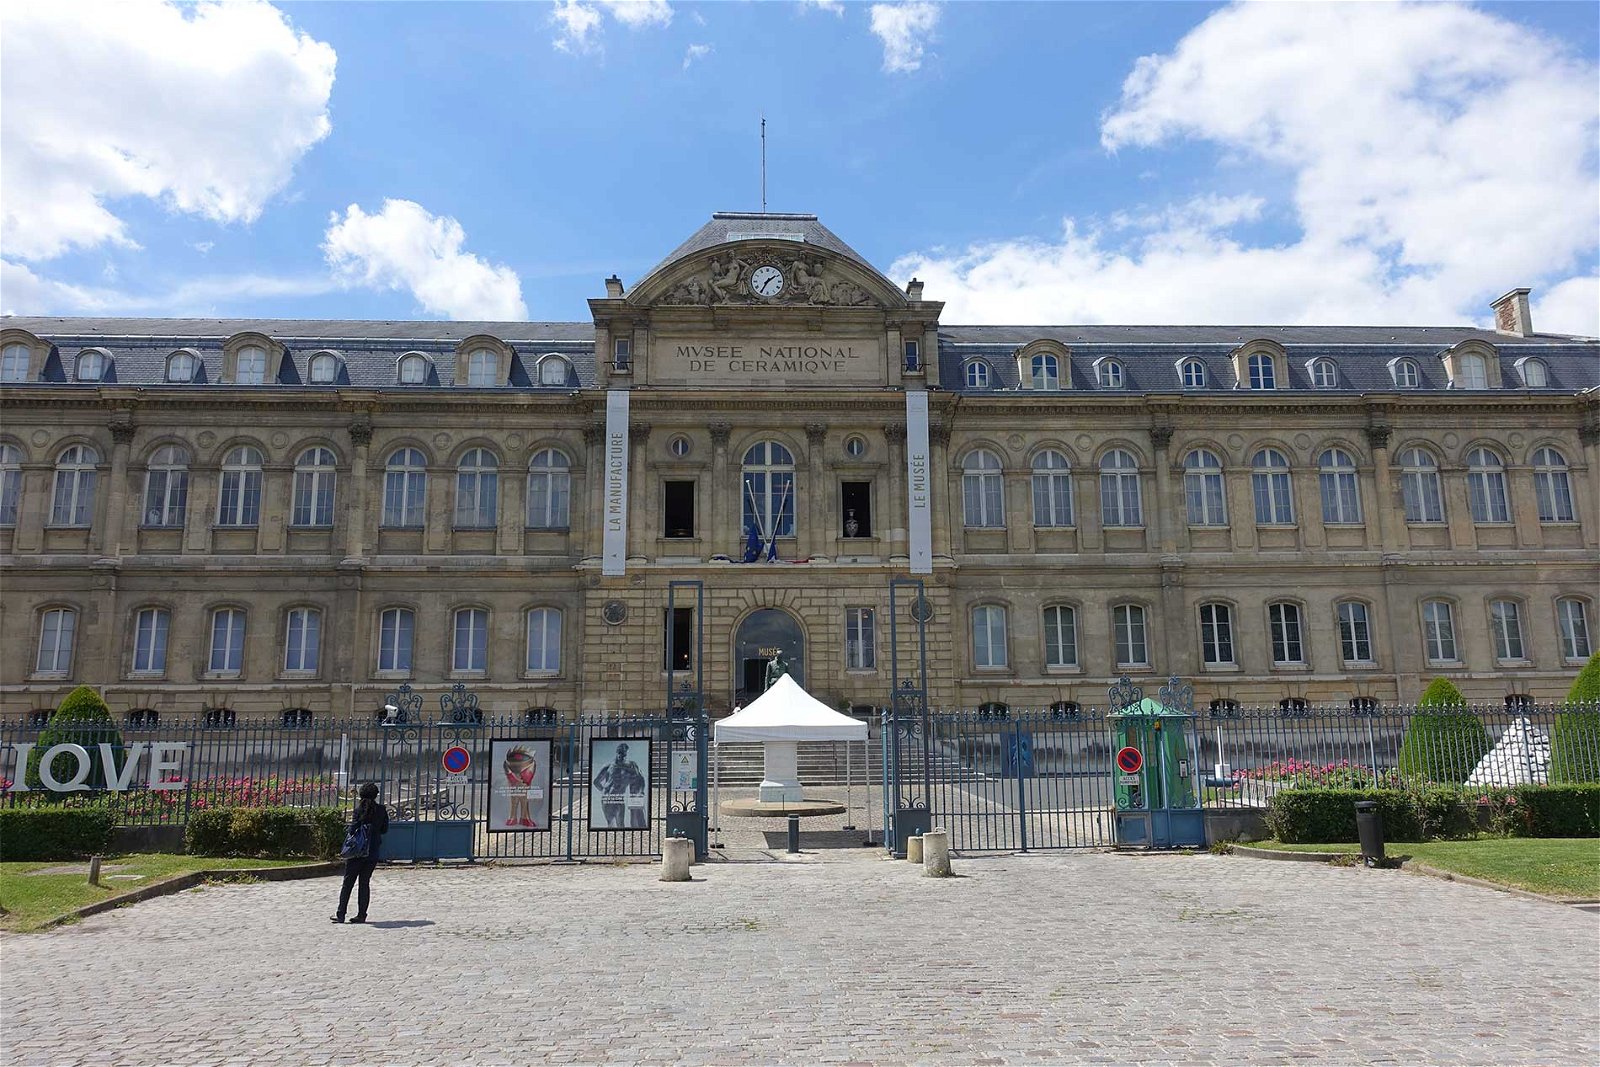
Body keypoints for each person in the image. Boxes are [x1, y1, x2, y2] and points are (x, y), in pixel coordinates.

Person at [331, 781, 387, 923]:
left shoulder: (358, 810)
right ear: (375, 795)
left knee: (347, 883)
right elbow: (385, 829)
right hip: (372, 852)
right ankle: (362, 914)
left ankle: (341, 913)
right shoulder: (381, 810)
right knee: (364, 883)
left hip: (357, 852)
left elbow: (352, 830)